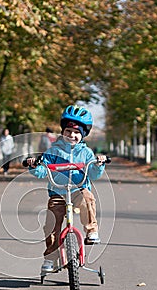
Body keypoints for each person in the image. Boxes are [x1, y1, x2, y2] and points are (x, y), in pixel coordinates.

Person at [25, 105, 107, 273]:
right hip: (58, 192)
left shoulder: (86, 153)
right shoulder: (53, 151)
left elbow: (93, 174)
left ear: (83, 135)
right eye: (68, 131)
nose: (72, 135)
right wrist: (34, 165)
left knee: (88, 199)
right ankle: (50, 258)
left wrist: (99, 164)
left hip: (78, 190)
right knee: (51, 225)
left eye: (77, 133)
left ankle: (91, 231)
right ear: (63, 131)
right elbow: (42, 171)